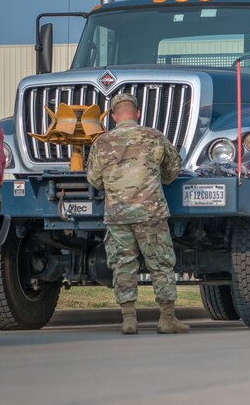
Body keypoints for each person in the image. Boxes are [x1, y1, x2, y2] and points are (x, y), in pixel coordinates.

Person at [86, 93, 187, 335]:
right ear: (138, 113)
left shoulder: (101, 142)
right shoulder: (153, 136)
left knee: (123, 264)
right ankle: (167, 319)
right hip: (150, 212)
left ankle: (129, 320)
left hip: (118, 215)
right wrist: (156, 179)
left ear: (113, 116)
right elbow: (173, 168)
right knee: (160, 263)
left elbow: (94, 179)